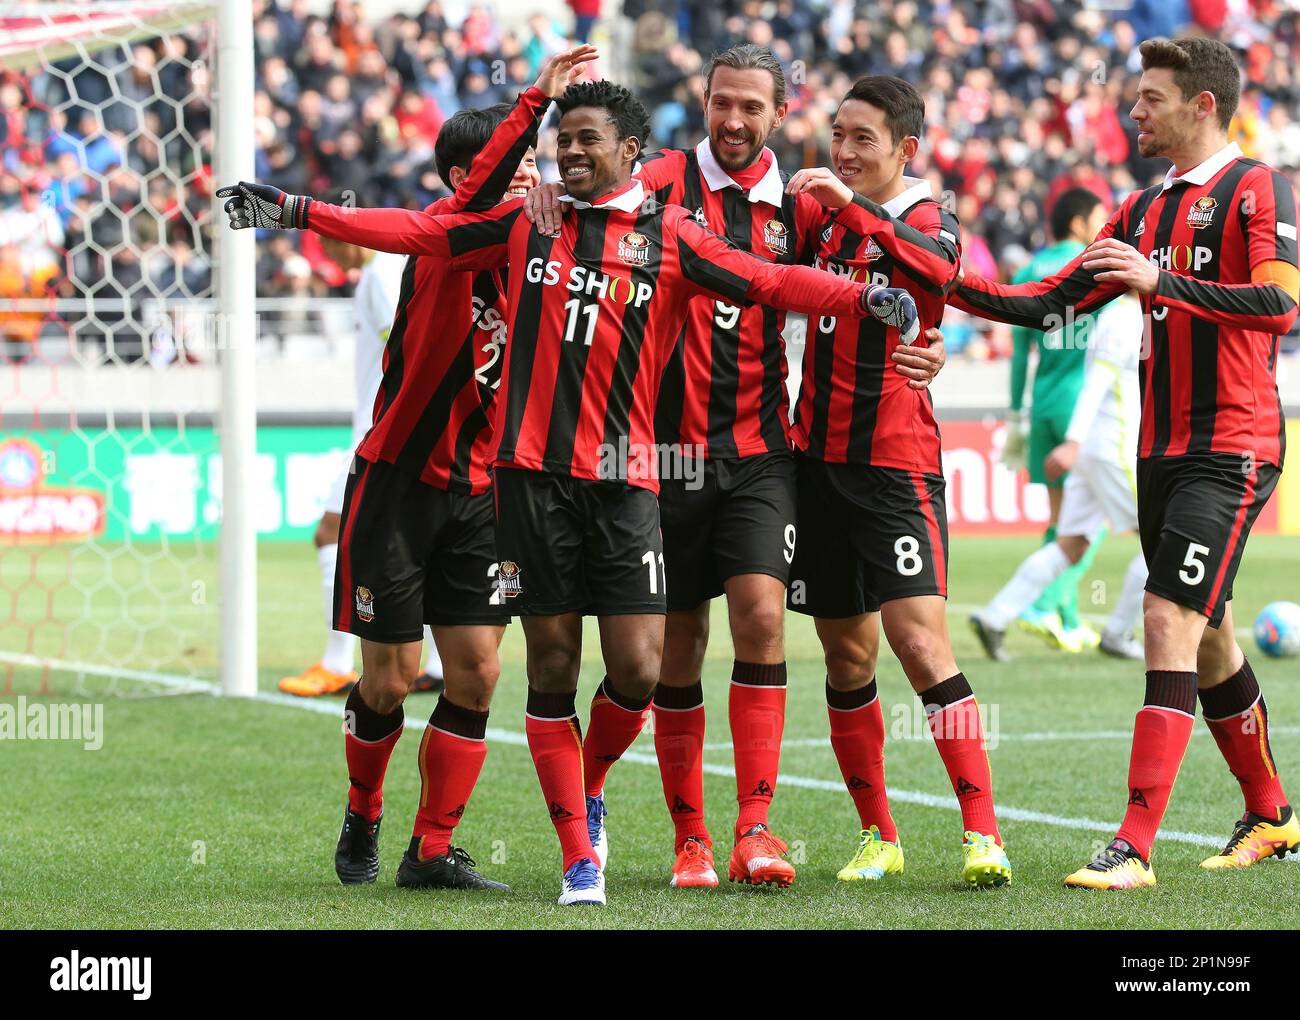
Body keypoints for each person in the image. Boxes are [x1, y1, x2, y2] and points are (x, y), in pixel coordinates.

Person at [273, 78, 923, 906]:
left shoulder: (670, 235)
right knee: (474, 671)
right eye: (559, 141)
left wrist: (863, 296)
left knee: (632, 670)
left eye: (588, 141)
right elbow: (413, 230)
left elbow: (768, 282)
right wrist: (302, 212)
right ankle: (547, 852)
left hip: (616, 482)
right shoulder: (516, 224)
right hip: (485, 480)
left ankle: (556, 802)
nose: (566, 155)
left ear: (631, 155)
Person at [523, 45, 946, 891]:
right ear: (704, 101)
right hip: (659, 454)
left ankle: (756, 825)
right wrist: (537, 184)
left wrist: (928, 342)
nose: (734, 120)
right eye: (722, 103)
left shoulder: (801, 205)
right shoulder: (662, 179)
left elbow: (899, 273)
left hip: (759, 449)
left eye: (752, 107)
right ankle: (691, 839)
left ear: (779, 115)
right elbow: (579, 182)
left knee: (760, 616)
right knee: (674, 650)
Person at [219, 46, 600, 893]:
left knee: (476, 672)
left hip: (485, 493)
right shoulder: (447, 241)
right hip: (396, 487)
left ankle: (432, 850)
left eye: (537, 167)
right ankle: (363, 811)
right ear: (471, 177)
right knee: (388, 681)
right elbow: (391, 223)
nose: (534, 180)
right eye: (519, 167)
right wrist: (298, 211)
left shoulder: (548, 244)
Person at [952, 36, 1300, 889]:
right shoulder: (1140, 211)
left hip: (1234, 444)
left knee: (1164, 617)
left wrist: (1160, 284)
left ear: (1202, 104)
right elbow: (1040, 304)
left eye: (1148, 98)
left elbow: (1282, 303)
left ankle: (1133, 846)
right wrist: (931, 270)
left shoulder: (1258, 185)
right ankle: (1273, 816)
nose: (1132, 110)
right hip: (1160, 449)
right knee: (1209, 635)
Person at [782, 75, 1010, 887]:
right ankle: (879, 833)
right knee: (846, 655)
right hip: (815, 464)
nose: (842, 152)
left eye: (863, 140)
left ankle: (983, 833)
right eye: (837, 134)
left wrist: (847, 205)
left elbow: (936, 270)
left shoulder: (925, 212)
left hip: (896, 466)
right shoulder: (816, 210)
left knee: (918, 642)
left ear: (905, 150)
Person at [277, 229, 445, 698]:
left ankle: (336, 662)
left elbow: (412, 342)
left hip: (381, 434)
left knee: (332, 532)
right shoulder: (378, 271)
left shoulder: (383, 272)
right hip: (393, 432)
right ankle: (437, 664)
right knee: (420, 545)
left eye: (326, 243)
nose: (327, 254)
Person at [972, 291, 1148, 661]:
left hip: (1092, 450)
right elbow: (1098, 382)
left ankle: (995, 616)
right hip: (1110, 447)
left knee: (1072, 542)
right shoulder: (1124, 317)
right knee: (1163, 540)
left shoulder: (1119, 315)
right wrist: (1072, 441)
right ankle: (1117, 632)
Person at [997, 188, 1113, 654]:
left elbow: (1019, 351)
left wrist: (1015, 412)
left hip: (1042, 405)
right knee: (1087, 523)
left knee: (1060, 518)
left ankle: (1065, 617)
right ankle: (1045, 604)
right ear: (1082, 223)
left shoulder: (1031, 269)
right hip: (1081, 410)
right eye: (1101, 219)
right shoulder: (1098, 267)